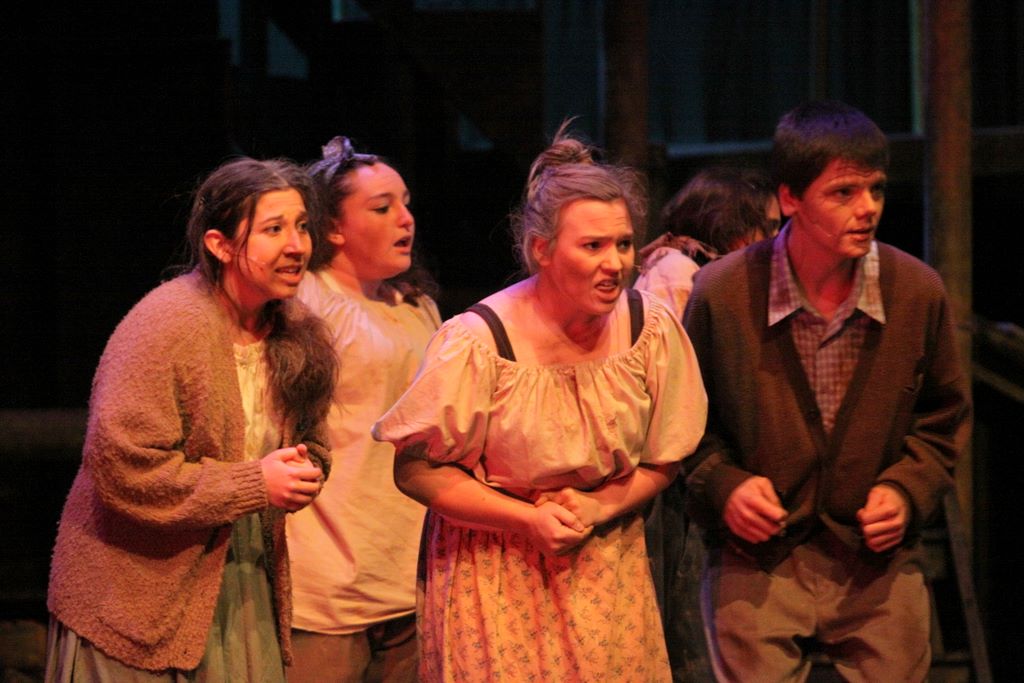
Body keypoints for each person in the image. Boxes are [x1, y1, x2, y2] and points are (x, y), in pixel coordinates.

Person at [372, 124, 708, 682]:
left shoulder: (649, 328)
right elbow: (416, 470)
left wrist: (601, 506)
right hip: (494, 575)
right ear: (542, 250)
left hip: (606, 570)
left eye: (624, 244)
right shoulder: (479, 342)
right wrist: (527, 519)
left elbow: (665, 457)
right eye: (593, 246)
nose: (615, 263)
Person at [683, 100, 971, 682]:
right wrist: (724, 485)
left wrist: (905, 490)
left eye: (876, 189)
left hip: (874, 559)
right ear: (790, 198)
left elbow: (943, 419)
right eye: (843, 192)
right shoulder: (723, 293)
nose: (868, 208)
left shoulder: (915, 292)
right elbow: (683, 425)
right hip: (758, 557)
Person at [45, 157, 338, 681]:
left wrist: (305, 469)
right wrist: (256, 483)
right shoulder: (166, 326)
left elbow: (312, 441)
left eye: (301, 226)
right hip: (136, 585)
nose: (297, 245)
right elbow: (123, 469)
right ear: (220, 244)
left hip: (240, 574)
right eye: (273, 229)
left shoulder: (298, 331)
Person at [285, 137, 441, 683]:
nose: (405, 219)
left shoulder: (416, 306)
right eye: (382, 207)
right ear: (332, 226)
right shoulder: (305, 301)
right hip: (328, 582)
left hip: (408, 572)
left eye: (406, 204)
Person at [634, 165, 779, 681]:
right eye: (766, 225)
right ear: (729, 222)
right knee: (685, 621)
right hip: (670, 468)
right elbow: (683, 375)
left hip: (679, 459)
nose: (774, 239)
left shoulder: (686, 267)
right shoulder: (679, 273)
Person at [635, 165, 780, 320]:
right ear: (730, 226)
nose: (777, 237)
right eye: (769, 227)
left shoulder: (717, 275)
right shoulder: (678, 271)